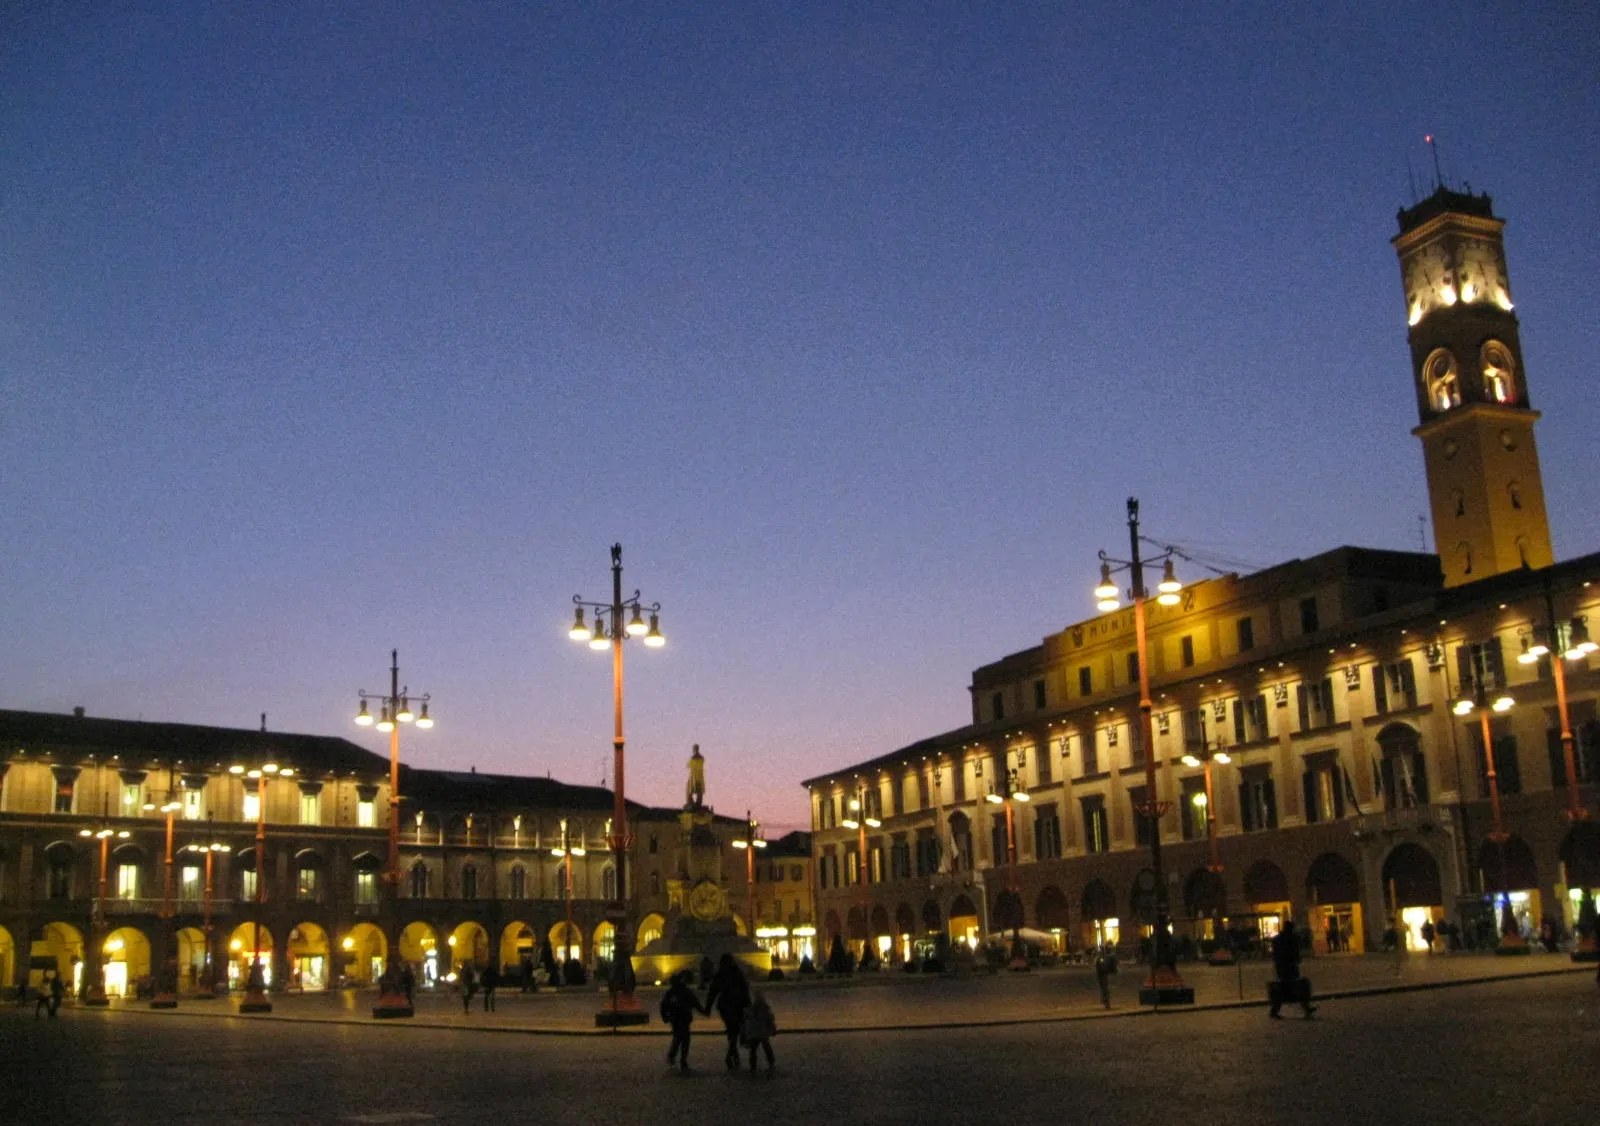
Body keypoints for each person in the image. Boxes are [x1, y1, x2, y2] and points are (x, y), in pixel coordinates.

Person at [705, 953, 752, 1071]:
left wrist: (708, 1008)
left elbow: (712, 992)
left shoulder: (720, 975)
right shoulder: (738, 973)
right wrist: (749, 1006)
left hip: (725, 1006)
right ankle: (732, 1055)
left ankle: (733, 1055)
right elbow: (745, 991)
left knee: (732, 1031)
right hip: (737, 1006)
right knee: (734, 1031)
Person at [1269, 921, 1316, 1020]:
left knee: (1287, 988)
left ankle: (1275, 1010)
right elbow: (1294, 953)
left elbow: (1275, 954)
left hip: (1281, 968)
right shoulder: (1290, 939)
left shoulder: (1277, 939)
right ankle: (1306, 1008)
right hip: (1289, 967)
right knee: (1294, 988)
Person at [660, 971, 704, 1073]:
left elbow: (663, 1006)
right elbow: (695, 1003)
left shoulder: (671, 992)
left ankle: (673, 1056)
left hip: (676, 1019)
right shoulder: (685, 991)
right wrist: (703, 1011)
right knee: (684, 1040)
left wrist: (665, 1017)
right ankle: (681, 1060)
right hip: (683, 1018)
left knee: (678, 1038)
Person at [741, 989, 777, 1072]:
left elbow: (746, 1017)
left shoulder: (751, 1009)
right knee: (766, 1048)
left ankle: (753, 1067)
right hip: (762, 1032)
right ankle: (770, 1064)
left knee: (754, 1050)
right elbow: (770, 1019)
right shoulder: (764, 1009)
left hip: (754, 1033)